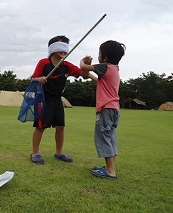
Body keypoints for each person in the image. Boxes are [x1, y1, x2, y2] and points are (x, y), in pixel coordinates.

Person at [30, 35, 90, 164]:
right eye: (60, 46)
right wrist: (39, 79)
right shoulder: (43, 63)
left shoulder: (67, 66)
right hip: (43, 99)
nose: (64, 50)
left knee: (60, 126)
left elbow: (84, 76)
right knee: (41, 127)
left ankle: (59, 153)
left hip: (58, 100)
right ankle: (35, 153)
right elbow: (33, 79)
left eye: (66, 47)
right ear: (52, 49)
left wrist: (86, 66)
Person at [80, 40, 126, 178]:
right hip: (114, 109)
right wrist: (88, 72)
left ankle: (110, 171)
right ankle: (108, 167)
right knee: (110, 137)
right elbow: (88, 76)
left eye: (99, 53)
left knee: (103, 137)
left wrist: (83, 62)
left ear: (105, 57)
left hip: (106, 109)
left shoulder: (105, 66)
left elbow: (83, 68)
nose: (98, 55)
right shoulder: (114, 69)